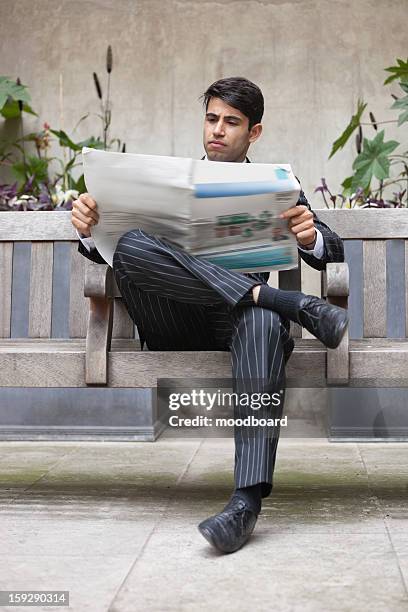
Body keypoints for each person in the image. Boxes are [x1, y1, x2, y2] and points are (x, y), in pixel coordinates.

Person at [71, 76, 347, 554]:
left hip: (233, 324)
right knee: (133, 245)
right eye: (211, 119)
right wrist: (88, 231)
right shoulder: (158, 181)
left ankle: (245, 504)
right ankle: (286, 303)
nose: (217, 130)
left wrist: (309, 237)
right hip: (167, 319)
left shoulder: (274, 185)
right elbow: (108, 254)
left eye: (231, 122)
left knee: (261, 321)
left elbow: (331, 248)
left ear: (253, 133)